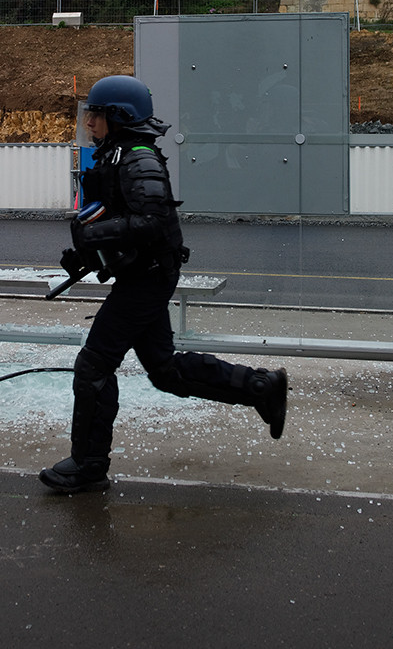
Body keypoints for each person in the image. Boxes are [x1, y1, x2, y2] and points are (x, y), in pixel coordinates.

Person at [39, 74, 289, 494]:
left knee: (94, 366)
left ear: (120, 116)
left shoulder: (137, 157)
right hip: (144, 275)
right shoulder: (117, 154)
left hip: (148, 279)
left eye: (96, 114)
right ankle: (261, 387)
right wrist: (84, 255)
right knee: (166, 371)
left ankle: (88, 466)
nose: (89, 123)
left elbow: (152, 222)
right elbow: (118, 218)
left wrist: (90, 239)